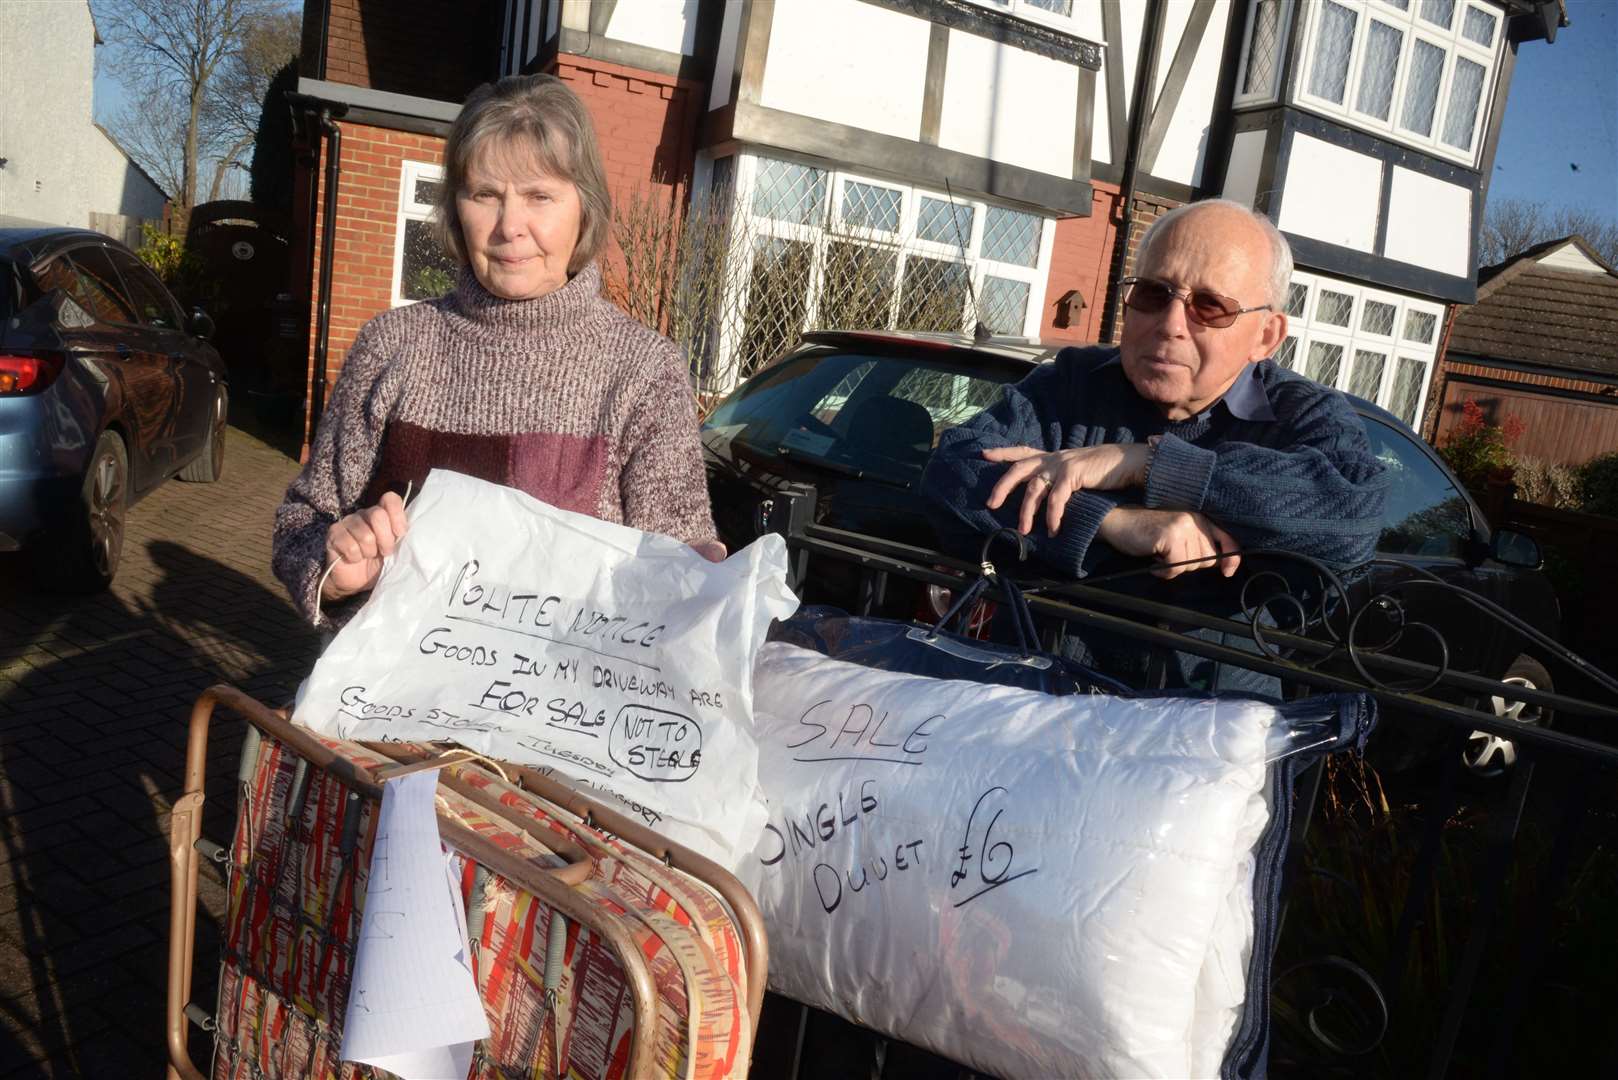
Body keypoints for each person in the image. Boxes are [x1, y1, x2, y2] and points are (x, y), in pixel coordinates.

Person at [273, 74, 722, 625]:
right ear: (457, 207)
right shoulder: (391, 345)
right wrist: (332, 569)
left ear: (584, 207)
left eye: (539, 196)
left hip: (562, 700)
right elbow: (302, 522)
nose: (510, 226)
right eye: (486, 194)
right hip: (382, 698)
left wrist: (699, 581)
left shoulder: (644, 371)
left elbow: (679, 574)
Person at [921, 199, 1390, 689]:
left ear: (1266, 335)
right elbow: (952, 473)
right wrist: (1109, 522)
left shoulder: (1305, 415)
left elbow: (1352, 512)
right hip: (1036, 707)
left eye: (1210, 306)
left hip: (1199, 734)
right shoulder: (1074, 384)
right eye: (1151, 293)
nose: (1170, 323)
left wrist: (1145, 464)